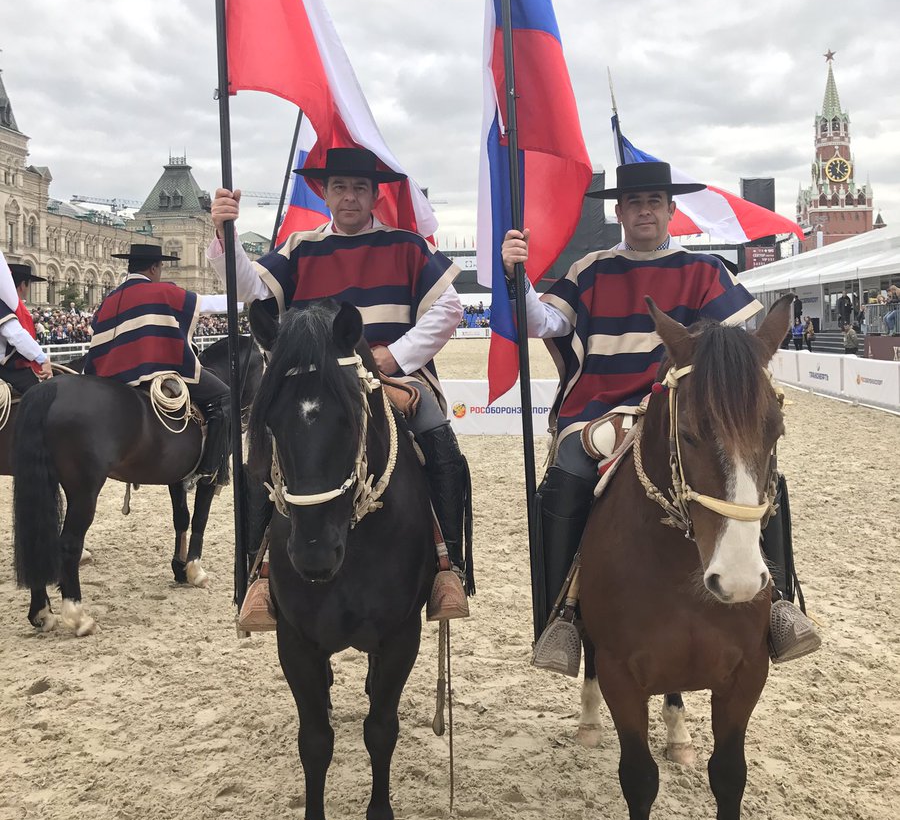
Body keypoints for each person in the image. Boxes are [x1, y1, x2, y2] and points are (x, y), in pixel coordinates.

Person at [501, 159, 820, 665]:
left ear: (671, 210)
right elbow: (542, 322)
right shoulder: (591, 269)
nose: (644, 211)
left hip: (680, 410)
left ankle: (780, 603)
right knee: (566, 479)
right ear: (620, 212)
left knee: (764, 479)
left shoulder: (705, 270)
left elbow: (741, 347)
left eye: (654, 202)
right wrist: (515, 279)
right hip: (597, 412)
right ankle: (560, 617)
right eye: (633, 202)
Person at [209, 146, 471, 621]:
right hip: (314, 386)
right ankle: (258, 572)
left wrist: (393, 356)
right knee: (259, 454)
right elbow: (248, 289)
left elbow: (449, 308)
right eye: (339, 188)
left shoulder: (407, 246)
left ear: (374, 196)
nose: (349, 197)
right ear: (323, 192)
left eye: (359, 189)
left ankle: (448, 566)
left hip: (394, 381)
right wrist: (226, 234)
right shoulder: (300, 247)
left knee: (439, 440)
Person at [83, 244, 233, 485]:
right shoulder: (160, 291)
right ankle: (210, 468)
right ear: (154, 268)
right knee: (226, 398)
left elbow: (96, 329)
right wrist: (247, 299)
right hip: (152, 371)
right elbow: (208, 304)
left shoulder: (110, 299)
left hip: (110, 375)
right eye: (161, 267)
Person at [0, 264, 53, 394]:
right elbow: (16, 335)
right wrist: (43, 359)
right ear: (23, 285)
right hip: (5, 367)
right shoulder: (4, 307)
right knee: (41, 393)